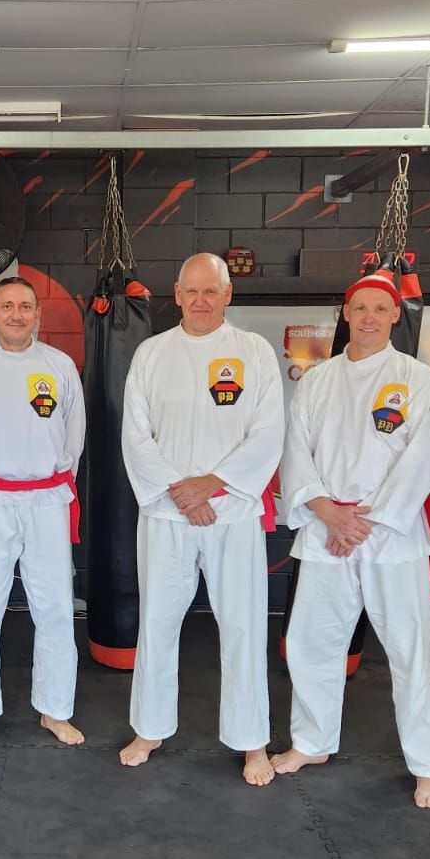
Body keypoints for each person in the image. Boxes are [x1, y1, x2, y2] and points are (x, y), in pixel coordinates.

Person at [273, 274, 430, 807]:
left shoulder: (416, 379)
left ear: (396, 315)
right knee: (311, 645)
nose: (369, 317)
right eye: (359, 308)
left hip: (389, 536)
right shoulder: (317, 380)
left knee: (409, 652)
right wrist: (328, 513)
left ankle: (427, 766)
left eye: (380, 308)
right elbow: (295, 452)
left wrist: (363, 522)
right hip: (328, 530)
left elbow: (423, 457)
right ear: (345, 314)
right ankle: (312, 741)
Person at [119, 251, 283, 787]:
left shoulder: (253, 352)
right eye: (191, 291)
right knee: (160, 622)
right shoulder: (151, 353)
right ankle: (150, 727)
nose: (200, 300)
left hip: (231, 512)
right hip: (167, 513)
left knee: (242, 626)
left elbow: (267, 433)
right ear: (176, 293)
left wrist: (210, 485)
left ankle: (252, 741)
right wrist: (181, 492)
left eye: (210, 291)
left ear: (228, 294)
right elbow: (136, 435)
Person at [0, 276, 86, 753]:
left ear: (38, 313)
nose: (17, 315)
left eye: (25, 306)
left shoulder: (60, 367)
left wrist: (51, 482)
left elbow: (74, 438)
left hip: (46, 500)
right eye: (7, 306)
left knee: (54, 608)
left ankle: (55, 710)